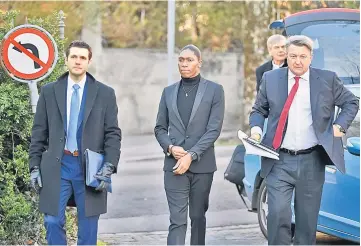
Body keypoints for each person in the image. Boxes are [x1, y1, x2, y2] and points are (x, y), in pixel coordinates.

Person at [249, 35, 358, 245]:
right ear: (286, 57)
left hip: (312, 161)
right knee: (278, 215)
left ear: (311, 57)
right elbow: (258, 109)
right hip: (278, 160)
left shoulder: (327, 79)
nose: (297, 61)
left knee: (307, 223)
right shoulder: (271, 79)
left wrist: (339, 126)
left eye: (302, 56)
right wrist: (255, 129)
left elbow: (351, 102)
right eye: (293, 56)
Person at [29, 40, 121, 245]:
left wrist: (109, 165)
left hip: (90, 168)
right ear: (66, 59)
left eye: (82, 57)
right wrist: (34, 166)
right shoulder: (49, 91)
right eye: (74, 57)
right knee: (52, 221)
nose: (78, 61)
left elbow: (113, 134)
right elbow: (38, 133)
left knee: (88, 228)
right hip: (58, 165)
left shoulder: (105, 94)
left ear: (89, 61)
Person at [154, 44, 225, 245]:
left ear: (199, 63)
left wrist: (191, 155)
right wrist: (170, 147)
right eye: (181, 60)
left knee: (197, 217)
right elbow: (160, 128)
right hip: (174, 165)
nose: (184, 64)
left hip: (202, 167)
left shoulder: (214, 91)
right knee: (176, 220)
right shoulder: (168, 92)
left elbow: (213, 130)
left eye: (189, 60)